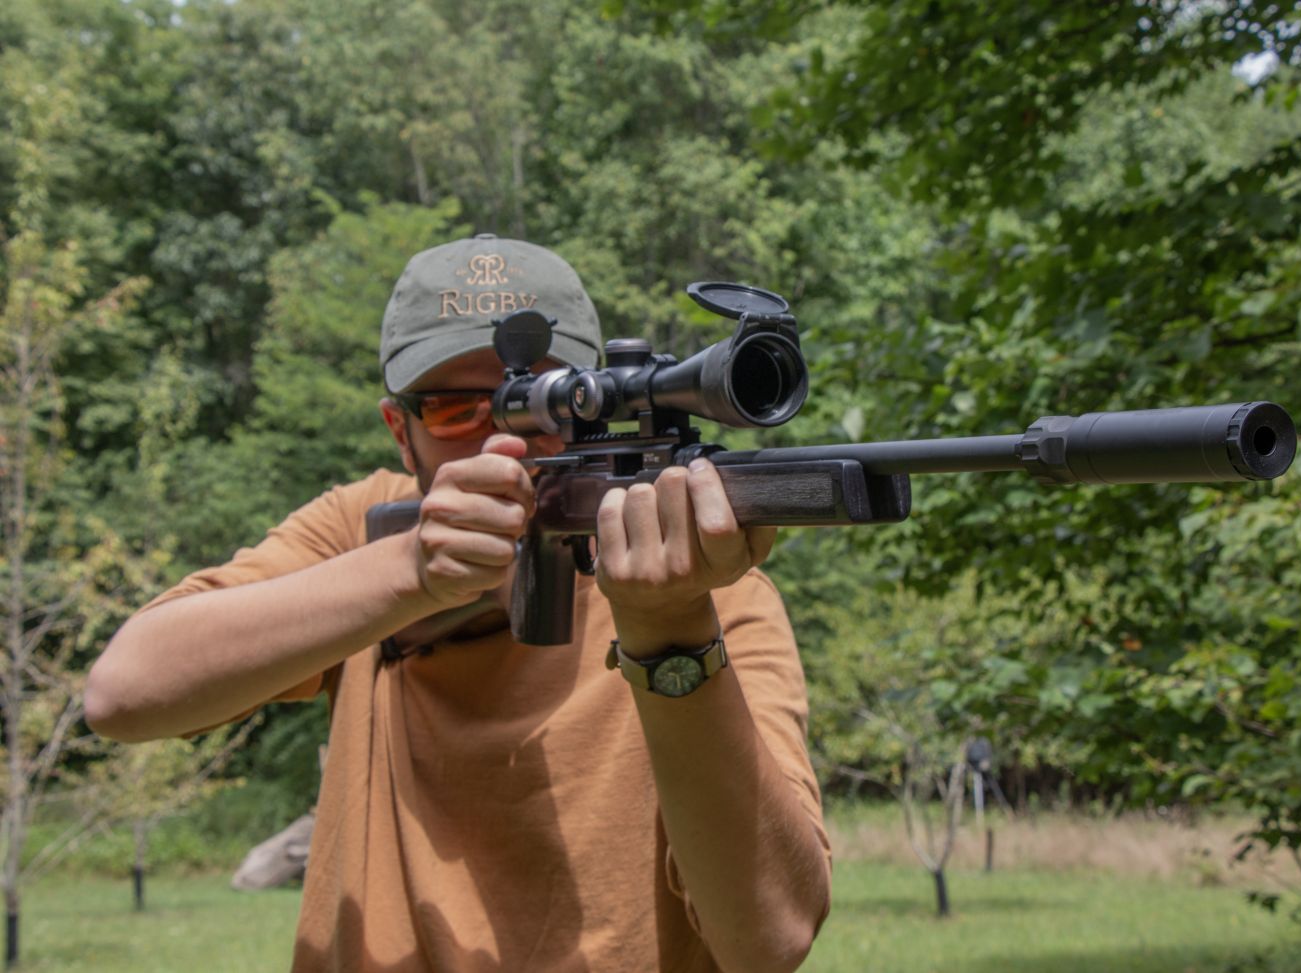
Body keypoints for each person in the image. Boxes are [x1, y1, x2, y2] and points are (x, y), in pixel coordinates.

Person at [84, 234, 832, 973]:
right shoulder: (357, 532)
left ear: (599, 401)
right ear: (400, 433)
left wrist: (669, 630)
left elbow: (771, 938)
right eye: (452, 409)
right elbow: (125, 693)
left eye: (546, 401)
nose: (503, 435)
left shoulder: (705, 585)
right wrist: (413, 573)